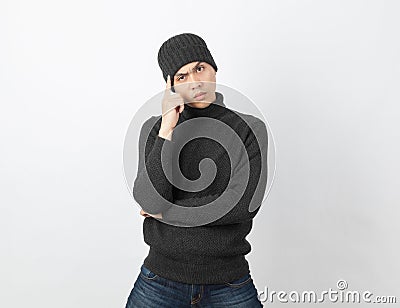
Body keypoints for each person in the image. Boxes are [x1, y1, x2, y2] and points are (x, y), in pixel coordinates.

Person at [125, 33, 267, 307]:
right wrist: (168, 128)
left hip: (229, 281)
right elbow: (150, 200)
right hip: (160, 279)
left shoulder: (249, 129)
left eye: (200, 68)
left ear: (214, 69)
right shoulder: (155, 129)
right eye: (181, 76)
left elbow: (243, 205)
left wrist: (166, 212)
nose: (195, 82)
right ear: (170, 86)